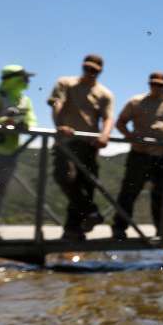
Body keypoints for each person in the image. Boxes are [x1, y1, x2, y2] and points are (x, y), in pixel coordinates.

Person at [111, 72, 163, 239]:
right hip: (140, 154)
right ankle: (119, 227)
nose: (156, 87)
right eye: (153, 84)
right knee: (129, 192)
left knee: (162, 194)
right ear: (149, 84)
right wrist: (130, 136)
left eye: (160, 85)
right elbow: (120, 122)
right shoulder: (136, 102)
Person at [49, 54, 114, 240]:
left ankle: (72, 230)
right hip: (66, 140)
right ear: (82, 67)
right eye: (87, 68)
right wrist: (59, 124)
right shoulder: (65, 83)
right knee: (64, 177)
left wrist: (105, 134)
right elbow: (57, 103)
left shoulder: (104, 93)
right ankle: (90, 212)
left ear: (100, 71)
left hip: (89, 144)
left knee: (85, 185)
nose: (90, 73)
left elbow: (108, 117)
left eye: (94, 70)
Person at [0, 65, 37, 241]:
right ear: (13, 78)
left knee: (1, 190)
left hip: (11, 151)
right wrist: (4, 121)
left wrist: (25, 125)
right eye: (23, 77)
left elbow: (32, 120)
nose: (27, 81)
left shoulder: (25, 100)